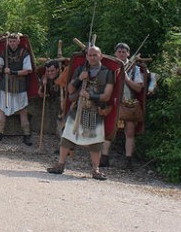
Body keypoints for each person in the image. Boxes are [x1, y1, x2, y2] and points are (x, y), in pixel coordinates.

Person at [47, 46, 113, 180]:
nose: (92, 57)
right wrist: (80, 78)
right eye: (90, 55)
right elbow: (70, 90)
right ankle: (60, 165)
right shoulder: (81, 70)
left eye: (95, 55)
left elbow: (107, 96)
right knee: (67, 138)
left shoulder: (107, 73)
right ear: (87, 56)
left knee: (96, 142)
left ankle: (96, 170)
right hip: (78, 109)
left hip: (95, 110)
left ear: (101, 56)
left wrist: (90, 96)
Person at [100, 42, 144, 170]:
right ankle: (104, 158)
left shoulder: (134, 69)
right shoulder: (109, 67)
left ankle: (128, 161)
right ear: (115, 53)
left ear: (128, 53)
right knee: (109, 130)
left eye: (123, 52)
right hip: (113, 103)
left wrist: (126, 78)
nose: (121, 53)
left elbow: (138, 88)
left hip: (128, 104)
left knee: (129, 133)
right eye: (119, 52)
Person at [0, 33, 34, 145]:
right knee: (2, 109)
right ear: (8, 42)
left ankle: (27, 135)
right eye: (10, 41)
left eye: (14, 41)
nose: (12, 43)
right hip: (5, 85)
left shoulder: (24, 53)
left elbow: (27, 70)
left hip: (20, 85)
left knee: (23, 111)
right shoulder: (4, 53)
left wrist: (12, 72)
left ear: (18, 41)